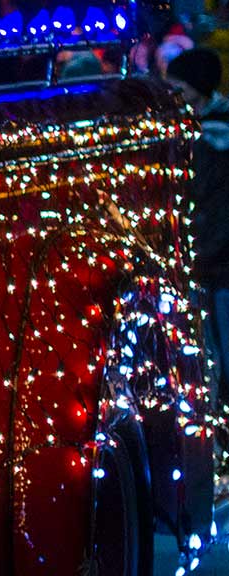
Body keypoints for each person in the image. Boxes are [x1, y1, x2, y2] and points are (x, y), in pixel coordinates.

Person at [166, 47, 229, 396]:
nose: (174, 94)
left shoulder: (210, 138)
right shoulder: (206, 129)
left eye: (179, 86)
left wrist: (205, 251)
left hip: (219, 261)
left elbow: (210, 199)